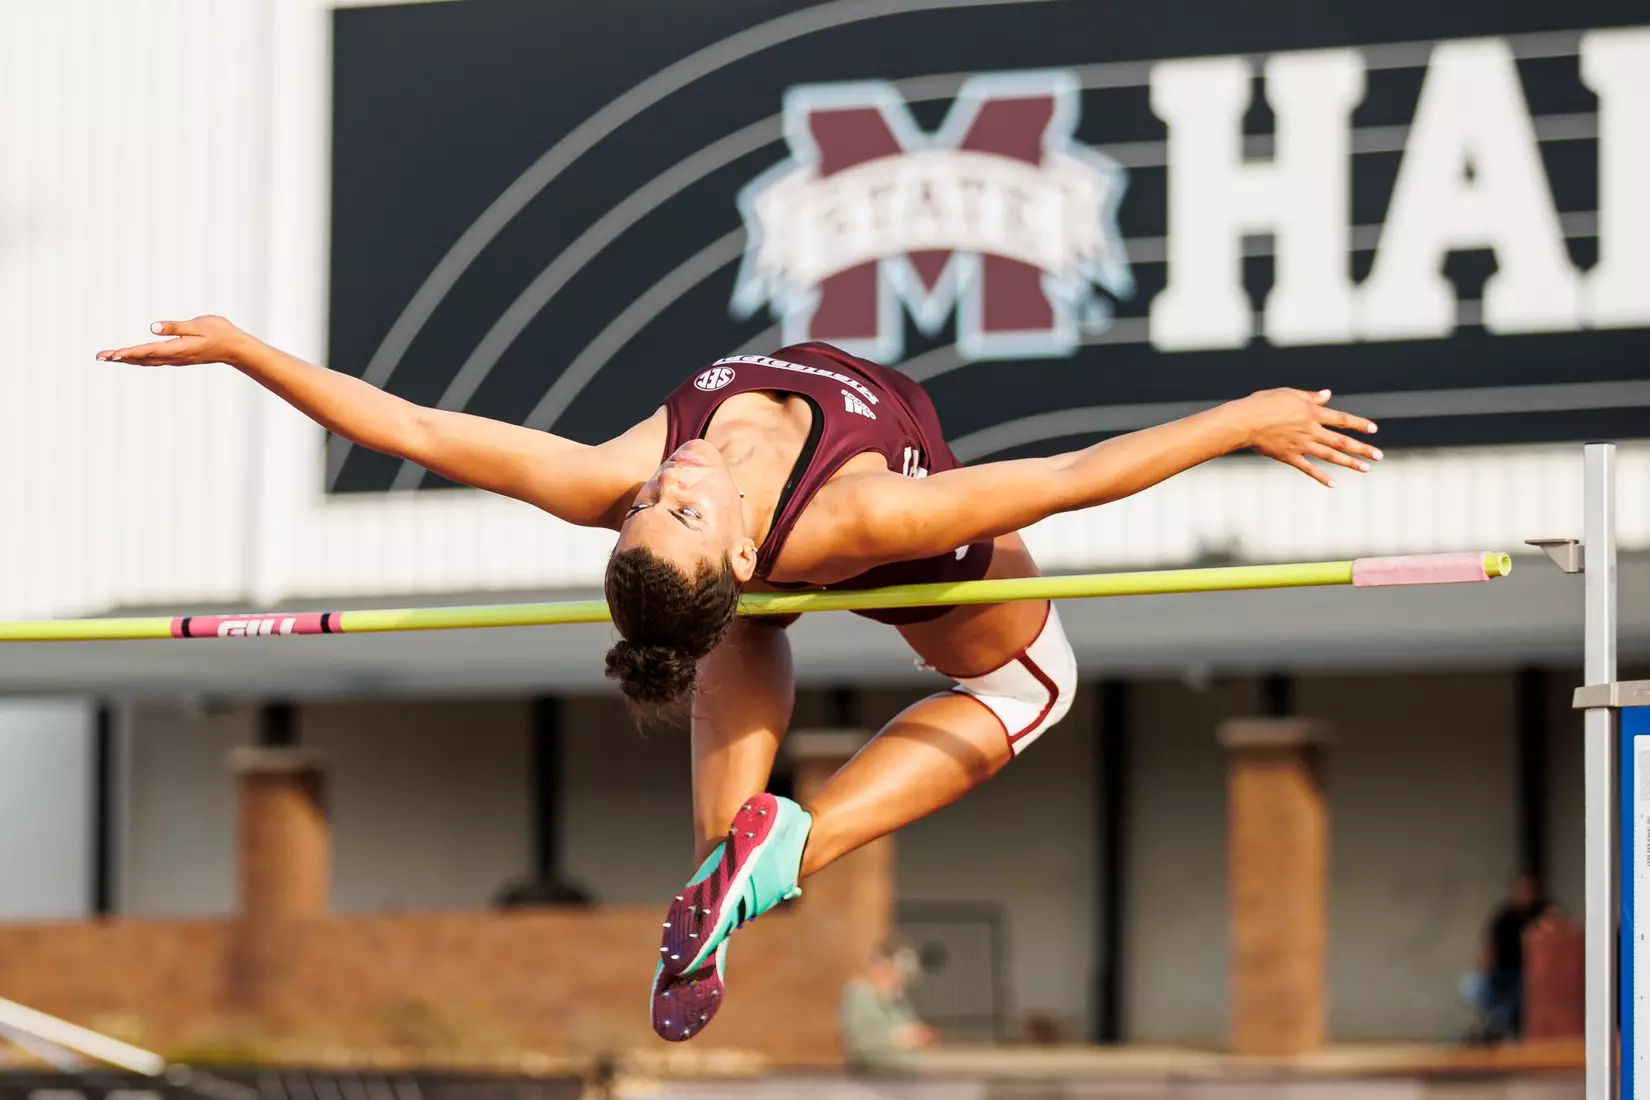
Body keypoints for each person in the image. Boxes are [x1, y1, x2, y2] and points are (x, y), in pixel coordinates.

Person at [97, 317, 1380, 1042]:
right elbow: (1060, 480)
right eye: (675, 505)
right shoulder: (854, 517)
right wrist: (1242, 417)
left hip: (754, 596)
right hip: (926, 572)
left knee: (729, 632)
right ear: (739, 539)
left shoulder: (630, 476)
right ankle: (788, 845)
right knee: (1033, 684)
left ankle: (738, 851)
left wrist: (241, 350)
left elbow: (422, 430)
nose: (670, 479)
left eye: (654, 498)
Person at [1459, 872, 1548, 1043]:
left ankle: (1500, 1026)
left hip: (1527, 975)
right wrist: (1483, 964)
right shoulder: (1504, 915)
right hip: (1501, 971)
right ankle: (1489, 1025)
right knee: (1472, 987)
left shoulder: (1542, 913)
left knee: (1515, 999)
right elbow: (1489, 944)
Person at [839, 938, 937, 1072]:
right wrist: (902, 1038)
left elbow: (911, 1026)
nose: (899, 978)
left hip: (905, 1077)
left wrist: (918, 1035)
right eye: (894, 970)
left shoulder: (895, 998)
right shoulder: (859, 994)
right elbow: (863, 1044)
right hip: (873, 1078)